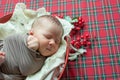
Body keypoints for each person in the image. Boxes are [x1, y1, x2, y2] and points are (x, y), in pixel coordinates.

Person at [0, 15, 63, 80]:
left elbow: (26, 69)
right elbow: (10, 40)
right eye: (48, 37)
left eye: (57, 42)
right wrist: (27, 42)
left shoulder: (44, 61)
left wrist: (31, 51)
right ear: (32, 33)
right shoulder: (24, 39)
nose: (52, 43)